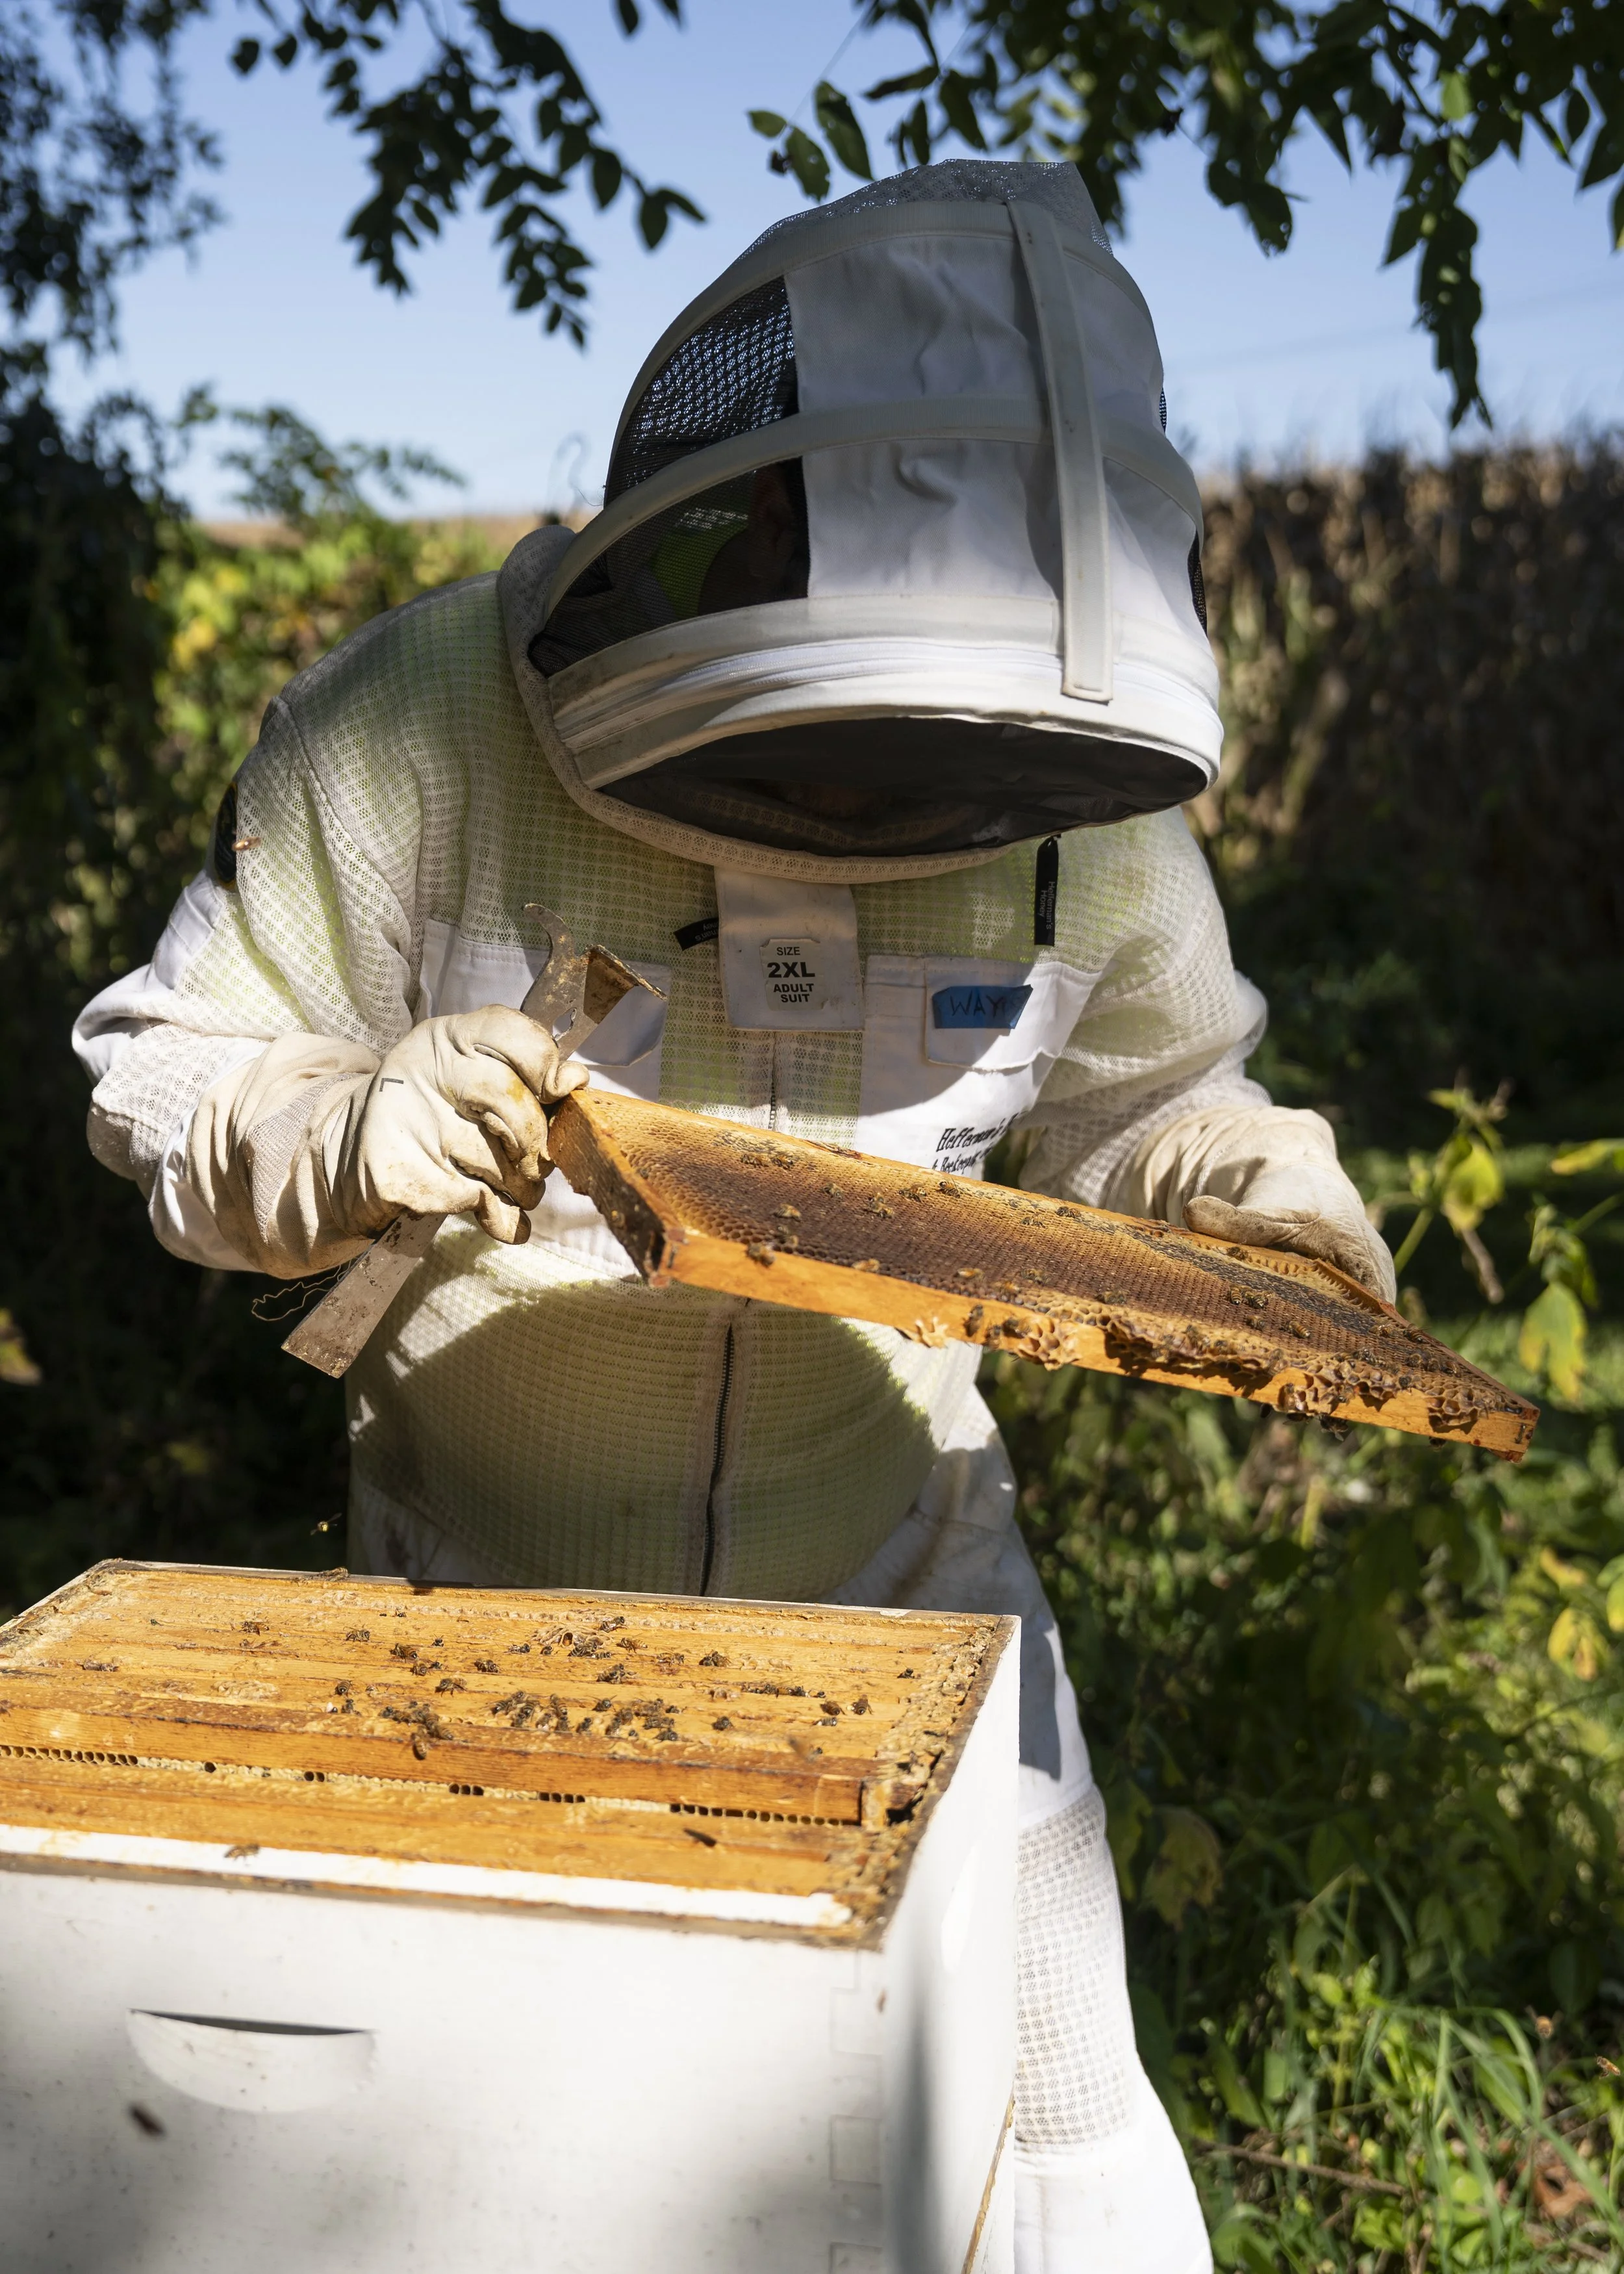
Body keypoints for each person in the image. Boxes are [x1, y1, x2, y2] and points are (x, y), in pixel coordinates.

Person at [74, 158, 1393, 2272]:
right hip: (481, 1602)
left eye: (930, 786)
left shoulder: (1076, 813)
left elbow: (1155, 1095)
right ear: (716, 550)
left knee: (1044, 2133)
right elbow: (159, 1076)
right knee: (536, 2161)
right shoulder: (413, 725)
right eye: (844, 764)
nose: (877, 827)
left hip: (918, 1593)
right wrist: (332, 1118)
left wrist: (1246, 1197)